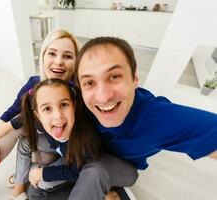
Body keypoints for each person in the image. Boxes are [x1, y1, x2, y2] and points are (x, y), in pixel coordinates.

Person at [72, 36, 217, 196]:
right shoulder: (76, 101)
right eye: (89, 83)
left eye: (114, 76)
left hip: (121, 167)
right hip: (91, 155)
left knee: (95, 172)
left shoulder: (156, 117)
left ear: (135, 78)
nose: (103, 96)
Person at [0, 28, 79, 200]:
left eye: (67, 56)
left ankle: (25, 177)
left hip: (60, 150)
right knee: (12, 128)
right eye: (52, 53)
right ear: (43, 56)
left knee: (25, 136)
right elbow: (10, 114)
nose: (58, 62)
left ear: (76, 62)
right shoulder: (34, 83)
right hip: (39, 139)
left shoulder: (78, 92)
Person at [19, 78, 103, 200]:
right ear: (38, 115)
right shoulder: (41, 123)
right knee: (24, 144)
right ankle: (18, 188)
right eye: (47, 109)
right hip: (65, 155)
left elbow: (77, 172)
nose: (58, 116)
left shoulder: (86, 140)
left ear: (73, 105)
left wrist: (42, 174)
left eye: (64, 105)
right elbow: (20, 120)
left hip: (80, 170)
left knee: (35, 192)